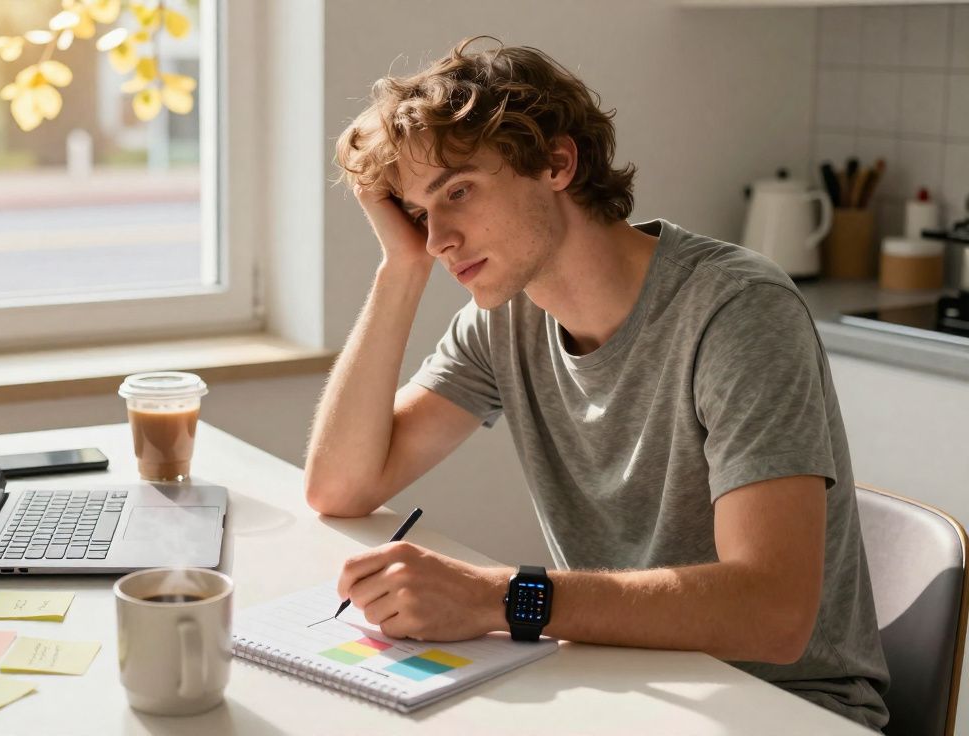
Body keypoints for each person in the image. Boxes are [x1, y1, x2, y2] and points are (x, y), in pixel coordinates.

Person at [306, 37, 889, 730]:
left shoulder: (736, 311)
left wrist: (498, 596)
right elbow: (340, 486)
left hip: (787, 709)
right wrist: (397, 269)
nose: (439, 239)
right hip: (627, 684)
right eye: (421, 214)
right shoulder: (504, 319)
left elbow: (773, 615)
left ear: (557, 162)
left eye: (458, 192)